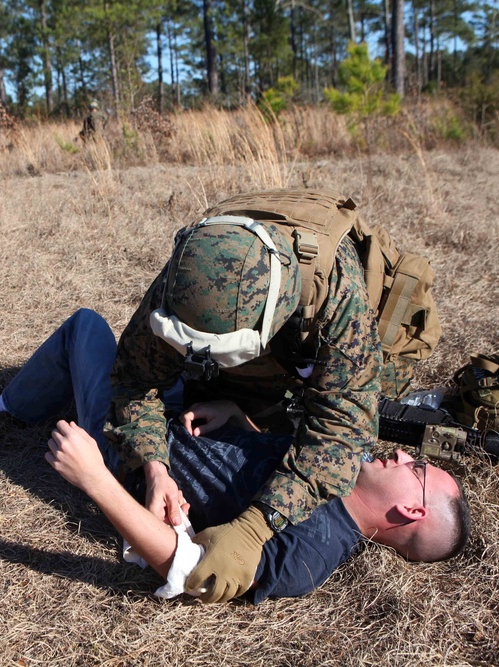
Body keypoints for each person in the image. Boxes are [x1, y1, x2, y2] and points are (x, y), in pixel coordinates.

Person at [0, 309, 471, 603]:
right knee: (163, 338)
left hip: (124, 454)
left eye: (418, 469)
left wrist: (94, 478)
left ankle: (7, 409)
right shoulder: (340, 467)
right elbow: (264, 455)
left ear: (411, 510)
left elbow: (186, 570)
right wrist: (236, 416)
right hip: (178, 419)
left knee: (86, 328)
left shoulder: (310, 553)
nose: (406, 456)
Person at [108, 191, 396, 602]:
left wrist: (256, 527)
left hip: (309, 345)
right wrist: (154, 468)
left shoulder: (341, 302)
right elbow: (134, 381)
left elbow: (342, 434)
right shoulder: (185, 282)